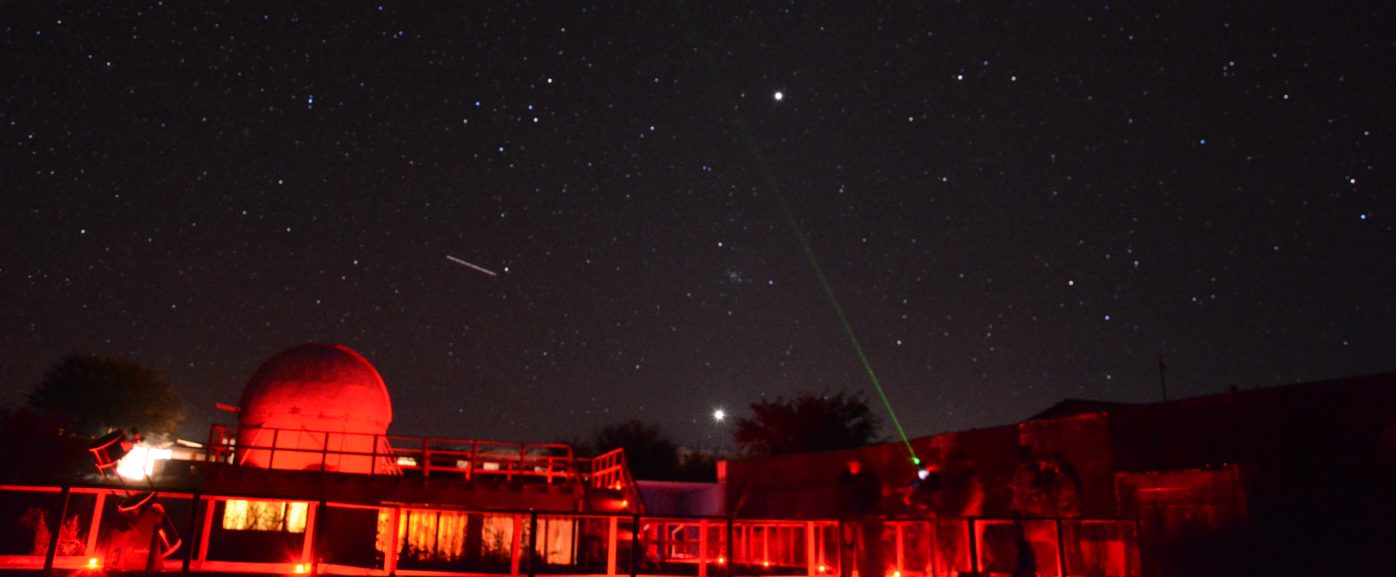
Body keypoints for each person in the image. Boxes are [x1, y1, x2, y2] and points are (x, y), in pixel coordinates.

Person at [835, 458, 883, 577]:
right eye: (852, 462)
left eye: (855, 462)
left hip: (862, 518)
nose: (854, 464)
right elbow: (838, 498)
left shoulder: (866, 479)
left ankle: (863, 574)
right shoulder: (844, 479)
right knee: (849, 549)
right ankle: (846, 573)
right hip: (848, 518)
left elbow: (873, 496)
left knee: (862, 550)